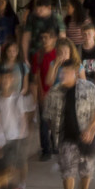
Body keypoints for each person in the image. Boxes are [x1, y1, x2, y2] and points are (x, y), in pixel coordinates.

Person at [43, 59, 95, 189]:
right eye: (61, 73)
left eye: (66, 73)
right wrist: (55, 132)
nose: (63, 76)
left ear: (75, 73)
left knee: (86, 170)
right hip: (66, 139)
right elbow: (48, 115)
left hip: (86, 138)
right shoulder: (55, 91)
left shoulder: (88, 88)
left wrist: (91, 129)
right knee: (67, 171)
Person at [0, 68, 35, 174]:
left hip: (17, 136)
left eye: (8, 78)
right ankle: (11, 186)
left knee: (21, 163)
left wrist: (22, 135)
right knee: (6, 165)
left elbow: (23, 118)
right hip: (3, 137)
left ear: (12, 80)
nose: (5, 80)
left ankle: (22, 185)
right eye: (3, 78)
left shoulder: (18, 97)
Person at [29, 27, 63, 159]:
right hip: (43, 92)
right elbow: (37, 75)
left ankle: (55, 144)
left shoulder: (57, 55)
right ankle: (45, 149)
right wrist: (40, 92)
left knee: (55, 121)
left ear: (54, 39)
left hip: (56, 94)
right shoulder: (38, 55)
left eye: (47, 38)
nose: (44, 40)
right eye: (42, 38)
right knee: (43, 122)